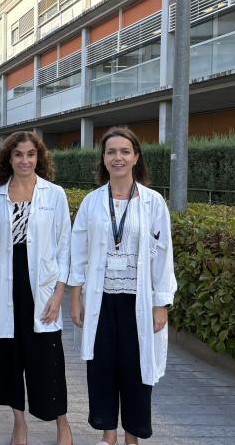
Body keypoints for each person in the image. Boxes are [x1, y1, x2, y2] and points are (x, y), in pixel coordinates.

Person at [69, 126, 177, 445]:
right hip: (101, 300)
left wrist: (161, 303)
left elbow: (163, 255)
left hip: (138, 301)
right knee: (102, 368)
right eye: (111, 152)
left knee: (136, 370)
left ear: (136, 157)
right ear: (103, 159)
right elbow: (78, 253)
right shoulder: (92, 202)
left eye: (124, 152)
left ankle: (133, 437)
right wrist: (75, 298)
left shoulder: (153, 202)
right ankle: (108, 436)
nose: (118, 158)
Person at [0, 131, 73, 445]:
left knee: (47, 359)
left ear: (39, 158)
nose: (24, 160)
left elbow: (65, 247)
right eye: (18, 154)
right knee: (10, 357)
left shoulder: (54, 194)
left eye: (31, 154)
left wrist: (58, 295)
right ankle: (19, 425)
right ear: (8, 158)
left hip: (41, 286)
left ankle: (62, 423)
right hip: (4, 284)